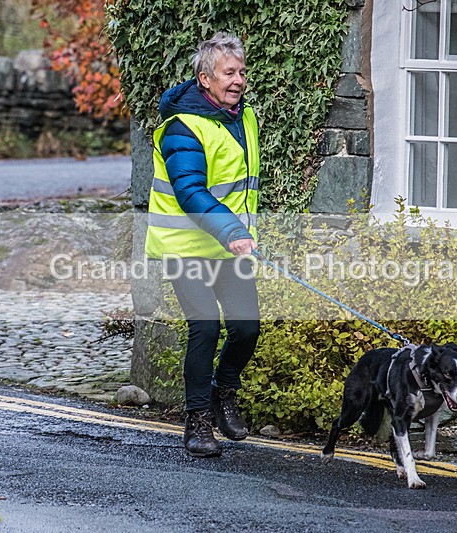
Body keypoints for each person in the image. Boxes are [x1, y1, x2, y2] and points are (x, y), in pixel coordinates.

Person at [145, 32, 260, 458]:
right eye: (229, 73)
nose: (239, 80)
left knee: (247, 328)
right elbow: (191, 190)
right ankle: (197, 422)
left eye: (242, 72)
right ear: (204, 78)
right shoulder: (182, 127)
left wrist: (238, 234)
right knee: (206, 326)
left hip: (230, 246)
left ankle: (222, 392)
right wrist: (232, 230)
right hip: (185, 245)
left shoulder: (243, 117)